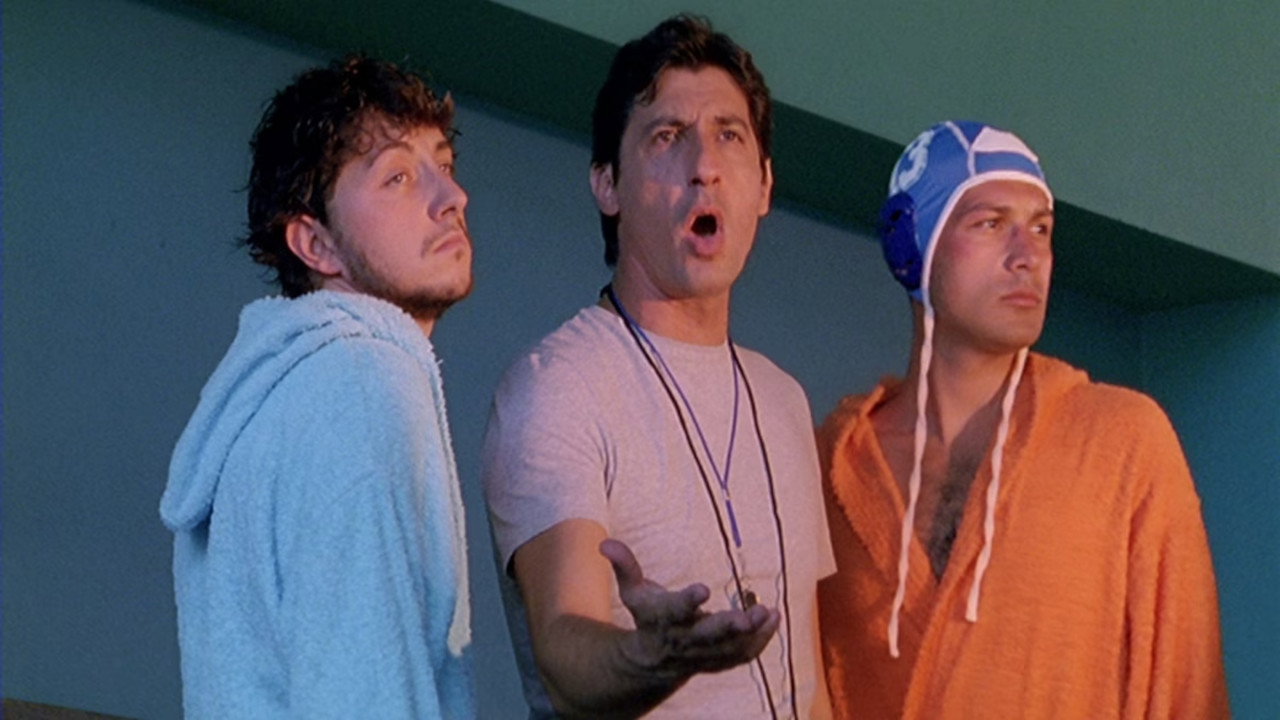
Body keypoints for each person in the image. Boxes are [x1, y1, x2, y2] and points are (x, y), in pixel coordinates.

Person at [482, 15, 834, 719]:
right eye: (667, 136)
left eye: (730, 136)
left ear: (765, 185)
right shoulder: (560, 385)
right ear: (607, 185)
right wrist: (657, 656)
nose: (704, 165)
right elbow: (565, 654)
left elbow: (807, 679)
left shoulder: (783, 399)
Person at [817, 120, 1230, 718]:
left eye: (1041, 229)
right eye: (990, 224)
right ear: (910, 248)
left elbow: (1190, 691)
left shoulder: (1123, 439)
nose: (1028, 256)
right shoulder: (830, 467)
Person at [160, 55, 474, 718]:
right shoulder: (362, 383)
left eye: (443, 164)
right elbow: (364, 694)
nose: (451, 197)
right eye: (397, 176)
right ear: (315, 243)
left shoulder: (283, 396)